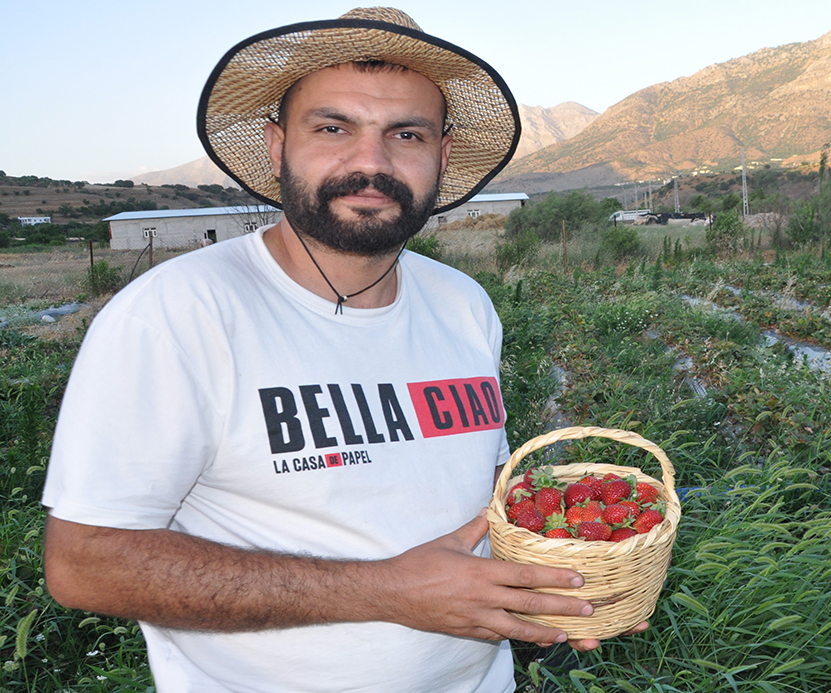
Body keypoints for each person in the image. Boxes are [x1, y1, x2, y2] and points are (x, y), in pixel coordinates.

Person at [42, 8, 641, 692]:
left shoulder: (463, 303)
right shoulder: (177, 314)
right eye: (333, 128)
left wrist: (568, 576)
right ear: (277, 147)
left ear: (441, 158)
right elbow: (84, 563)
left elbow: (478, 506)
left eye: (406, 134)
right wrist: (383, 590)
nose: (370, 163)